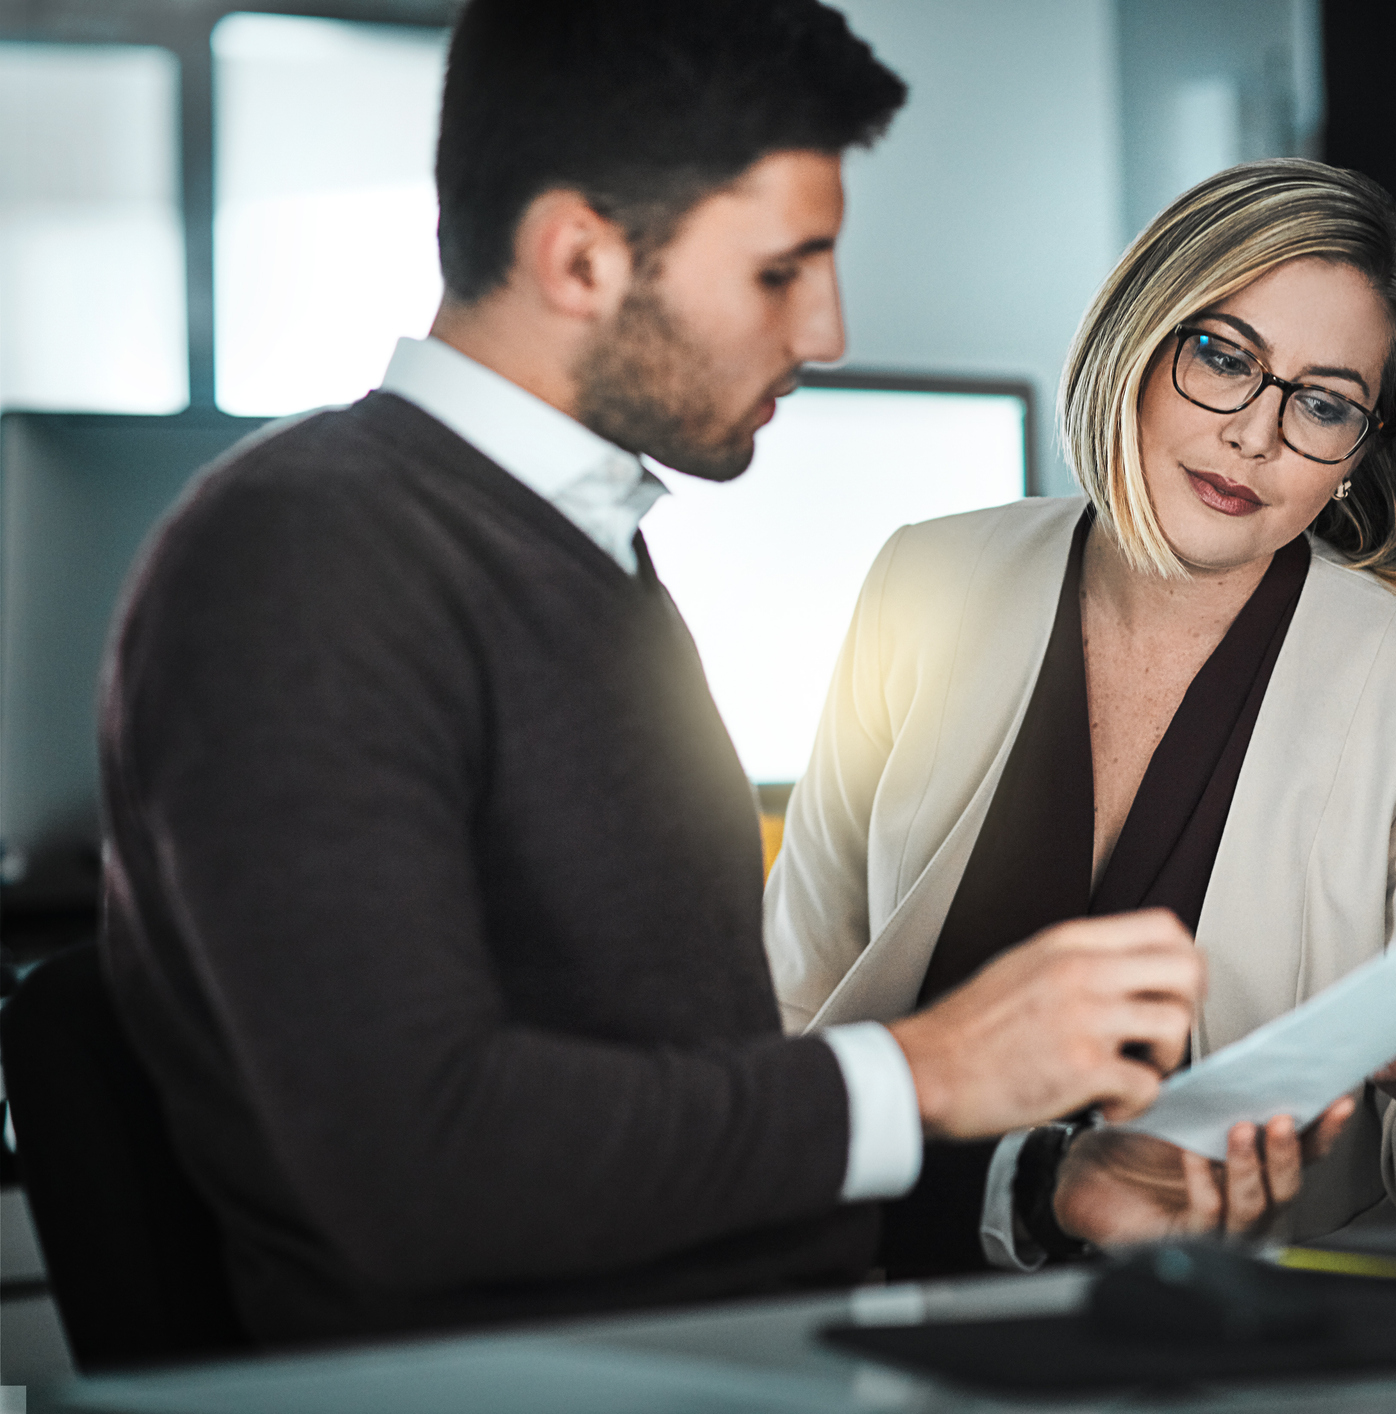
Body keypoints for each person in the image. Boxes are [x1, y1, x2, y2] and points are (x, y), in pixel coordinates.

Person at [96, 0, 1224, 1347]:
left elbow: (686, 1130)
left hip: (730, 1351)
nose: (828, 330)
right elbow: (416, 1166)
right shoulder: (300, 559)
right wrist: (928, 1069)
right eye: (779, 271)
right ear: (579, 257)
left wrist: (1034, 1190)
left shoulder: (591, 562)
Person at [766, 159, 1396, 1274]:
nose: (1256, 435)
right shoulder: (925, 578)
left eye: (1323, 403)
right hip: (889, 1278)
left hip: (1229, 1333)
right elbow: (797, 992)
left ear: (1357, 454)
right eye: (1225, 357)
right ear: (1138, 340)